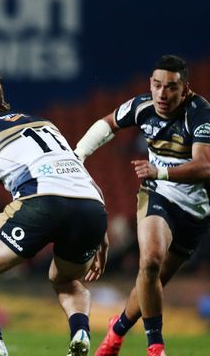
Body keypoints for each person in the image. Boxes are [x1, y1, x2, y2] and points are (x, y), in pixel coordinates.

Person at [0, 65, 108, 356]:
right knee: (66, 278)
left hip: (40, 202)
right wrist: (101, 237)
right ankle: (80, 330)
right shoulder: (45, 124)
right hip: (92, 208)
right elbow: (84, 180)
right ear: (1, 99)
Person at [74, 55, 210, 356]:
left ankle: (117, 330)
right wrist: (79, 154)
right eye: (157, 85)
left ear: (185, 89)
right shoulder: (142, 105)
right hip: (157, 193)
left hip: (195, 211)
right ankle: (156, 348)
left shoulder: (200, 114)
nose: (162, 94)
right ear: (150, 84)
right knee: (149, 262)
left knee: (152, 282)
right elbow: (108, 124)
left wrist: (159, 170)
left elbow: (205, 166)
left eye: (171, 88)